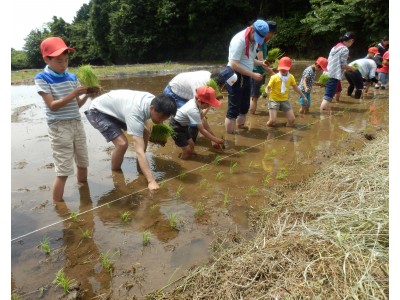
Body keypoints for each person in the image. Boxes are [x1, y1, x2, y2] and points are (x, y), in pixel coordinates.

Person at [34, 36, 94, 202]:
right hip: (59, 127)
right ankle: (59, 207)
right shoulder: (42, 78)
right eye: (59, 61)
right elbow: (53, 105)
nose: (64, 64)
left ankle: (85, 196)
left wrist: (88, 95)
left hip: (76, 123)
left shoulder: (72, 77)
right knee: (63, 171)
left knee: (83, 162)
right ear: (47, 59)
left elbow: (77, 105)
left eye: (66, 60)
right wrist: (74, 94)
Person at [84, 90, 177, 191]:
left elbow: (145, 121)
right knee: (122, 144)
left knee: (145, 132)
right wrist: (151, 181)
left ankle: (140, 165)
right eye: (161, 117)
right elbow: (139, 150)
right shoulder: (135, 113)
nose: (161, 121)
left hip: (117, 109)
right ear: (152, 108)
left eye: (165, 118)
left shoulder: (155, 102)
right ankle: (116, 171)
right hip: (98, 111)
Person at [163, 68, 237, 148]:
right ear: (220, 85)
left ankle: (188, 140)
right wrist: (213, 139)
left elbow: (202, 113)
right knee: (193, 123)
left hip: (186, 93)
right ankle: (187, 144)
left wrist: (213, 138)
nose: (223, 91)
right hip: (174, 92)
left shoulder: (210, 81)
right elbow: (200, 117)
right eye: (224, 88)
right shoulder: (200, 86)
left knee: (194, 120)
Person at [225, 19, 273, 134]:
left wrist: (261, 63)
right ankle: (230, 137)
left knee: (245, 105)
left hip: (246, 75)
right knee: (233, 108)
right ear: (252, 30)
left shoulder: (253, 40)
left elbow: (249, 59)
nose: (257, 41)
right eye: (257, 37)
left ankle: (240, 128)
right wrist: (252, 74)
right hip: (234, 75)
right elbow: (234, 64)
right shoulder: (240, 40)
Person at [169, 86, 225, 160]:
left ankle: (190, 156)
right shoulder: (193, 110)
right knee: (187, 150)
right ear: (199, 101)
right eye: (208, 104)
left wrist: (208, 106)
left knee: (192, 144)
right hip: (176, 127)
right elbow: (202, 130)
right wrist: (215, 140)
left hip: (183, 126)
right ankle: (182, 162)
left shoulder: (196, 103)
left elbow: (201, 116)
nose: (209, 106)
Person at [320, 31, 356, 114]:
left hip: (326, 73)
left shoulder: (335, 46)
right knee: (328, 98)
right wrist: (351, 68)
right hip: (333, 75)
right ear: (351, 40)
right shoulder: (345, 49)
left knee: (327, 96)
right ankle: (323, 119)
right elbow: (343, 65)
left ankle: (326, 116)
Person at [266, 56, 307, 127]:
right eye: (282, 68)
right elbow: (268, 87)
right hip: (274, 100)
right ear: (279, 67)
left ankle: (287, 132)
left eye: (285, 69)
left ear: (289, 68)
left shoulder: (291, 77)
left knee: (292, 120)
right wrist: (266, 92)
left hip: (284, 100)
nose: (284, 70)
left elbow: (296, 88)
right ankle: (268, 127)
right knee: (272, 121)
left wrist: (303, 96)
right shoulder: (274, 77)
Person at [249, 21, 277, 114]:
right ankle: (251, 117)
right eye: (272, 34)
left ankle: (250, 116)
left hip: (260, 72)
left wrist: (271, 66)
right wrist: (273, 73)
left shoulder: (263, 42)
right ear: (268, 32)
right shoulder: (260, 43)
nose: (272, 36)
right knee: (254, 97)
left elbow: (263, 60)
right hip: (257, 72)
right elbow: (261, 60)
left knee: (254, 96)